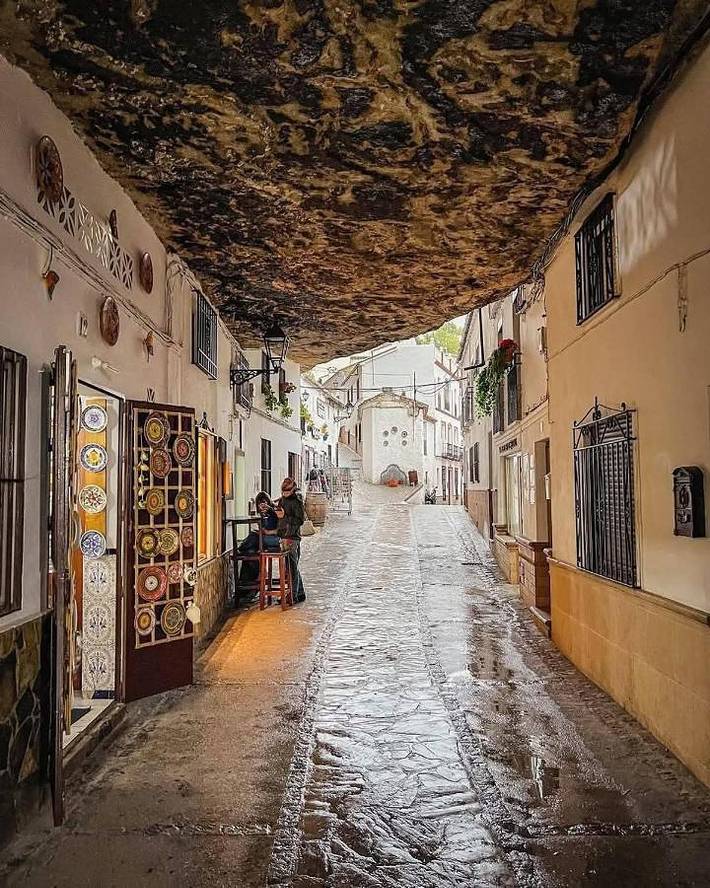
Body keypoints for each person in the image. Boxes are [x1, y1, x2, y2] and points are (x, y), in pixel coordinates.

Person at [238, 492, 280, 587]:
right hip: (267, 538)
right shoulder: (263, 514)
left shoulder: (274, 511)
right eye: (260, 504)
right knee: (251, 551)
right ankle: (250, 585)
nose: (262, 506)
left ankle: (241, 548)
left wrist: (268, 532)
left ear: (268, 502)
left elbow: (281, 528)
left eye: (264, 503)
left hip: (275, 539)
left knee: (253, 537)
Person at [275, 476, 306, 603]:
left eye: (287, 492)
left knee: (292, 568)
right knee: (290, 567)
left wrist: (285, 517)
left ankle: (292, 596)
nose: (285, 494)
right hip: (284, 536)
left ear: (292, 490)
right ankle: (299, 593)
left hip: (292, 538)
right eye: (283, 492)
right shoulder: (282, 501)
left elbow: (300, 520)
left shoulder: (297, 502)